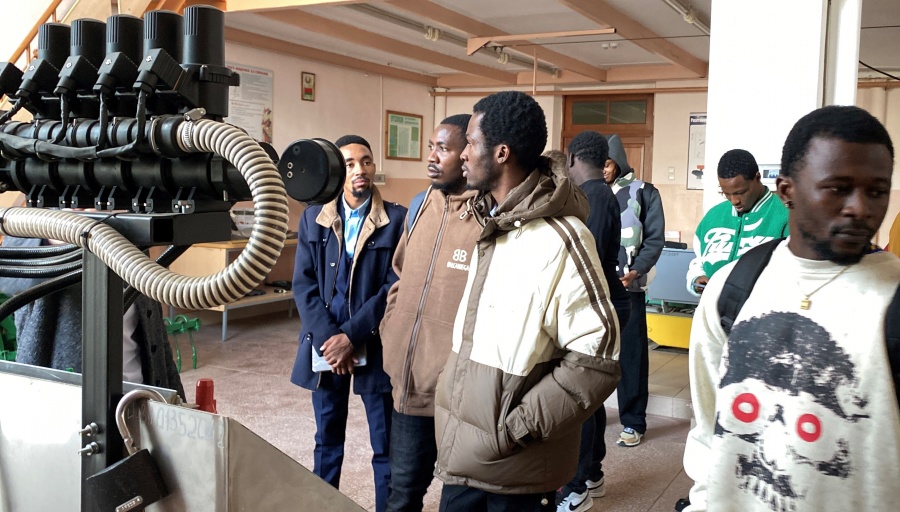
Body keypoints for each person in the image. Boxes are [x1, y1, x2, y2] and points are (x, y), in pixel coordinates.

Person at [683, 105, 900, 511]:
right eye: (838, 188)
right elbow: (708, 427)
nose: (860, 208)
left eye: (877, 191)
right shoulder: (732, 288)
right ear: (787, 190)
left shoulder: (892, 299)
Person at [433, 91, 620, 512]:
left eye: (471, 142)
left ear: (501, 153)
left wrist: (515, 429)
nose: (463, 154)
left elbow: (598, 357)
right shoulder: (491, 224)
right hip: (465, 457)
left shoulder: (563, 237)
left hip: (515, 470)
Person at [290, 134, 406, 512]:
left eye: (366, 161)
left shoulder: (397, 219)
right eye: (350, 163)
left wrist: (351, 337)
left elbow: (394, 287)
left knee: (385, 445)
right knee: (326, 441)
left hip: (373, 339)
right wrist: (331, 340)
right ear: (337, 171)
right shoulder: (314, 218)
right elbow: (304, 284)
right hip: (326, 343)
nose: (360, 169)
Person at [379, 114, 483, 512]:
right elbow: (400, 275)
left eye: (443, 148)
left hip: (458, 391)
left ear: (467, 154)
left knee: (459, 497)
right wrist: (392, 329)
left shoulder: (487, 215)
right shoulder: (420, 204)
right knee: (402, 493)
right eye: (430, 147)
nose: (432, 157)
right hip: (410, 385)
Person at [0, 236, 184, 397]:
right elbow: (7, 277)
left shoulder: (129, 231)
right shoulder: (37, 220)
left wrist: (177, 401)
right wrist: (58, 239)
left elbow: (154, 332)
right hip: (62, 399)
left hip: (138, 395)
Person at [555, 131, 631, 512]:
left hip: (599, 307)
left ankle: (576, 486)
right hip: (604, 303)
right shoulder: (596, 193)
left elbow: (589, 260)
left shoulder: (594, 197)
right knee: (592, 396)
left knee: (579, 398)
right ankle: (593, 473)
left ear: (571, 159)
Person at [604, 134, 665, 448]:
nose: (603, 169)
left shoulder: (644, 192)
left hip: (630, 289)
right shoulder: (589, 192)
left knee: (631, 357)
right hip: (595, 289)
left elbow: (654, 239)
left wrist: (637, 270)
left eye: (607, 163)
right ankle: (593, 415)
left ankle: (633, 421)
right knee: (594, 355)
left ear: (618, 161)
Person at [686, 149, 789, 295]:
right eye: (726, 194)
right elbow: (699, 260)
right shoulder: (713, 216)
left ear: (757, 178)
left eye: (740, 193)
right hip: (712, 305)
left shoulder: (786, 215)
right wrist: (696, 278)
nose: (734, 201)